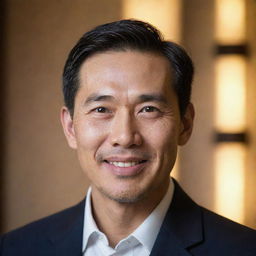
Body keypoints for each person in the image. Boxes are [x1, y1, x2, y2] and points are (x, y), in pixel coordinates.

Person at [0, 19, 255, 256]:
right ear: (70, 127)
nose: (124, 137)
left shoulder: (243, 249)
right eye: (101, 110)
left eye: (148, 109)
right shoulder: (15, 248)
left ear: (185, 124)